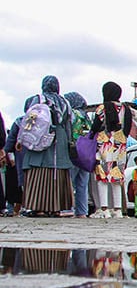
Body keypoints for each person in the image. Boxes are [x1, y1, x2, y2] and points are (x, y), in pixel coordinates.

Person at [20, 76, 74, 216]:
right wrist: (69, 142)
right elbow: (69, 124)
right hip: (60, 138)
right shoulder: (65, 102)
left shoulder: (38, 99)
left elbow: (28, 116)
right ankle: (56, 207)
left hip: (41, 137)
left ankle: (38, 207)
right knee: (58, 171)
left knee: (38, 171)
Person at [89, 81, 136, 219]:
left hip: (104, 144)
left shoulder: (102, 108)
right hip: (120, 146)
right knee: (117, 178)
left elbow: (95, 126)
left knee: (102, 177)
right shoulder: (126, 109)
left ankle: (104, 209)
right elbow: (127, 128)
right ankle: (118, 210)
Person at [63, 92, 92, 219]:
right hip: (86, 153)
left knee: (70, 182)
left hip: (74, 151)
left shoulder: (72, 115)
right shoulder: (87, 116)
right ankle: (82, 211)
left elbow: (68, 131)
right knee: (82, 184)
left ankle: (68, 208)